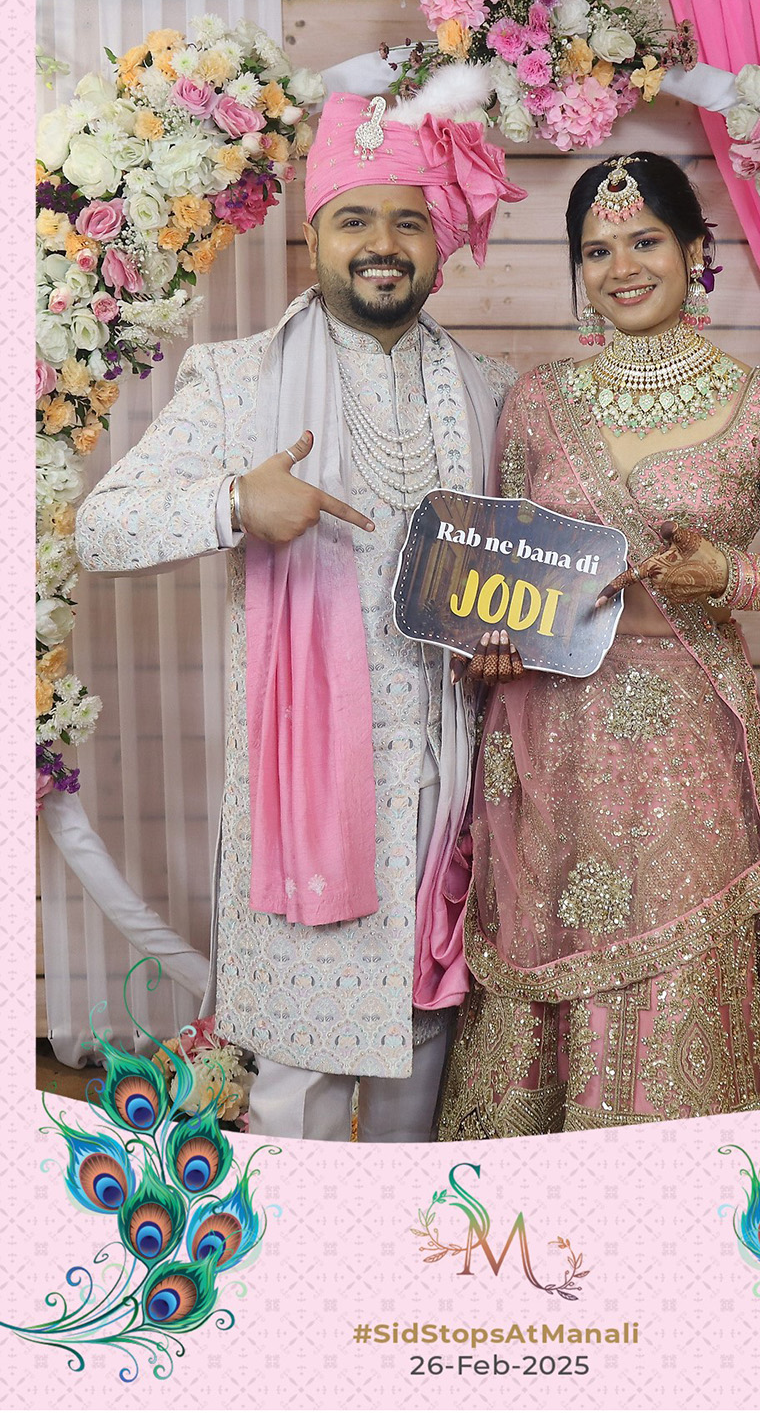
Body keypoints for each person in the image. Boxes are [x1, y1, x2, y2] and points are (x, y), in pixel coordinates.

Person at [75, 71, 526, 1143]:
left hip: (451, 788)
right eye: (354, 219)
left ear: (437, 242)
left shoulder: (491, 389)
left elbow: (515, 574)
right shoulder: (239, 382)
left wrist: (510, 634)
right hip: (308, 800)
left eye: (408, 221)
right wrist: (236, 502)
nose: (383, 244)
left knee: (423, 1074)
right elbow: (102, 527)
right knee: (298, 1095)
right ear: (313, 236)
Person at [436, 151, 760, 1139]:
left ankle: (668, 1205)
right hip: (542, 742)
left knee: (675, 974)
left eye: (645, 241)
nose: (622, 267)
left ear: (693, 250)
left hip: (683, 744)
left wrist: (735, 577)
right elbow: (502, 574)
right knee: (537, 968)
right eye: (597, 251)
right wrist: (489, 642)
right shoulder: (538, 402)